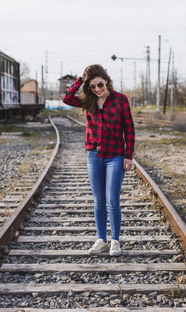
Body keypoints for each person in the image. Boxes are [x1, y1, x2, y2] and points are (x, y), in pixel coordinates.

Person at [63, 64, 135, 256]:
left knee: (112, 200)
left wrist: (129, 155)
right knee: (98, 201)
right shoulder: (89, 101)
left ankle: (115, 242)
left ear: (106, 80)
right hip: (94, 155)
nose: (97, 89)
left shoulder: (120, 100)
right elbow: (67, 98)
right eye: (93, 86)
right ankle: (101, 240)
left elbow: (129, 128)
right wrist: (80, 80)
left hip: (115, 155)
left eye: (100, 84)